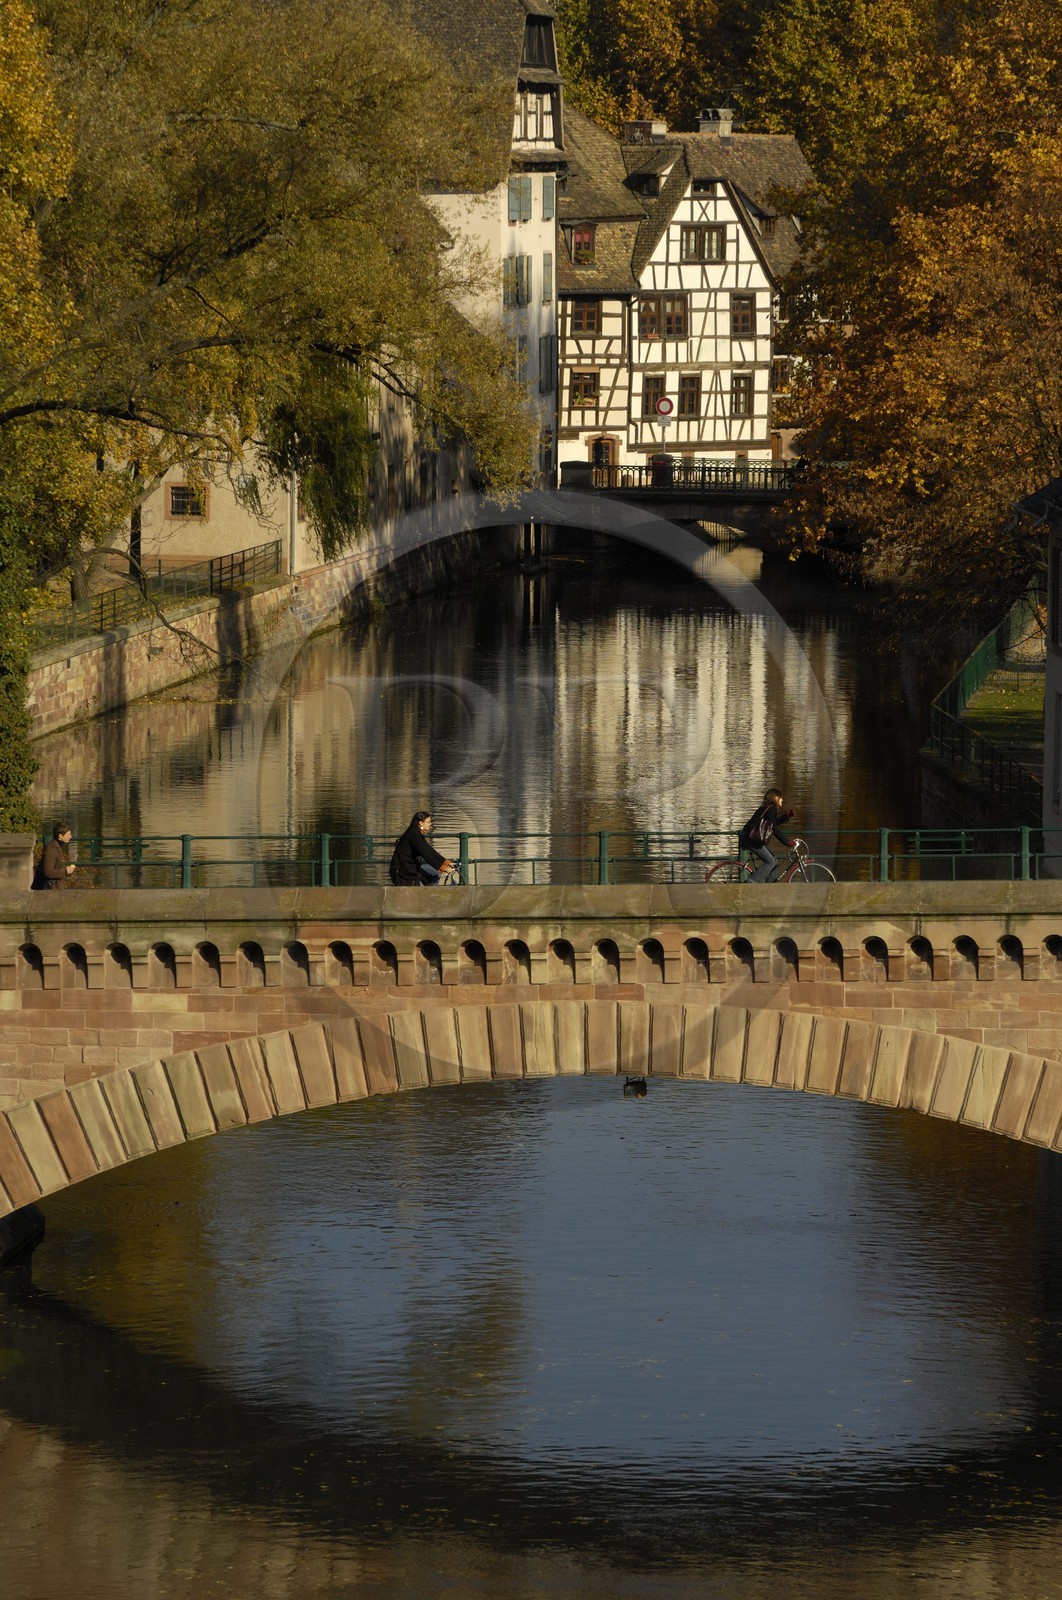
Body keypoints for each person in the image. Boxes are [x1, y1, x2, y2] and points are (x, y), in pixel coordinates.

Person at [738, 789, 795, 883]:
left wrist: (786, 817)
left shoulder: (768, 807)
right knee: (770, 862)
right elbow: (774, 829)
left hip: (750, 837)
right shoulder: (771, 808)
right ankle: (751, 883)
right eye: (781, 798)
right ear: (776, 797)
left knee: (774, 860)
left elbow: (773, 824)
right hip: (750, 839)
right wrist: (787, 842)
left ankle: (771, 885)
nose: (782, 800)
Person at [388, 811, 454, 887]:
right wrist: (444, 868)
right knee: (423, 887)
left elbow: (430, 850)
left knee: (435, 874)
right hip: (404, 870)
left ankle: (429, 895)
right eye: (428, 822)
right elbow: (426, 854)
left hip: (411, 866)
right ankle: (427, 896)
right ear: (421, 823)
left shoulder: (417, 832)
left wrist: (445, 863)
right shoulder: (414, 834)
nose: (430, 824)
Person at [32, 822, 76, 890]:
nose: (70, 836)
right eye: (68, 834)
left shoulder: (56, 846)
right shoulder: (51, 850)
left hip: (52, 887)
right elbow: (48, 872)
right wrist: (65, 871)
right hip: (49, 888)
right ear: (60, 836)